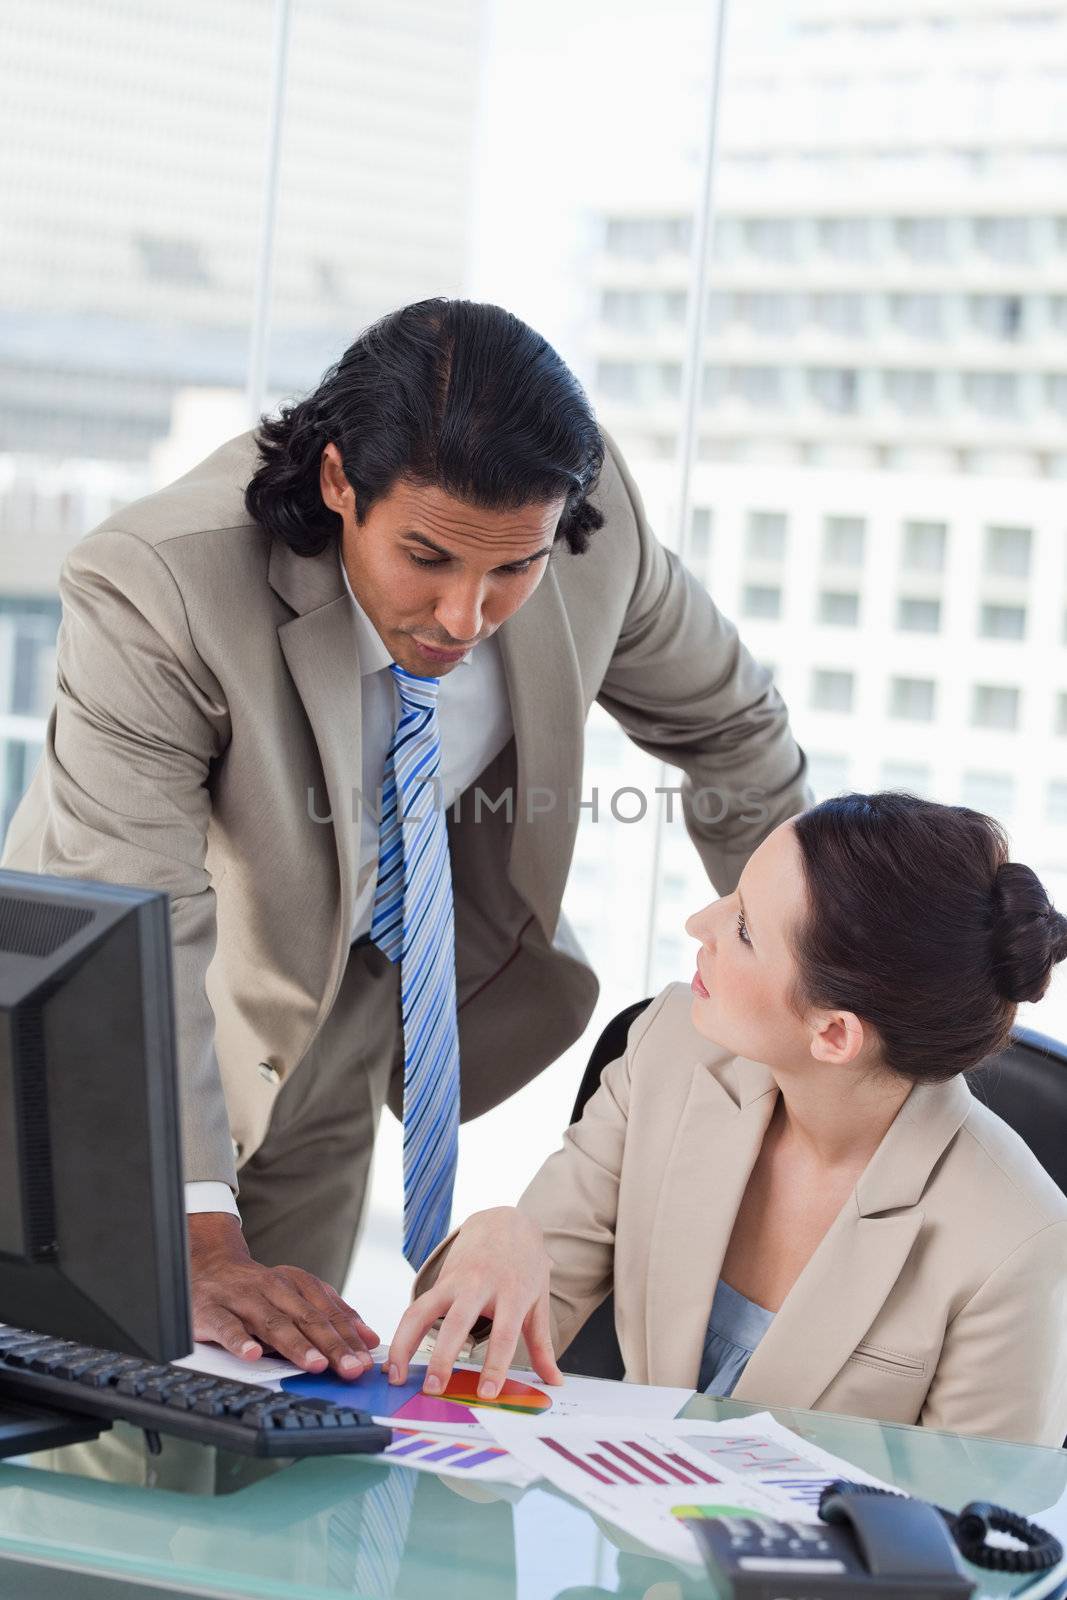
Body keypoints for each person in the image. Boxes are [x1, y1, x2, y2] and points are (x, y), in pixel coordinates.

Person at [1, 298, 809, 1380]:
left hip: (345, 1021)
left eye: (508, 571)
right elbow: (137, 915)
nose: (465, 617)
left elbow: (732, 730)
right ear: (338, 482)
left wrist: (820, 973)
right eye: (425, 557)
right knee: (110, 1416)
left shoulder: (579, 517)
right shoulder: (161, 584)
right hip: (133, 1036)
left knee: (273, 1412)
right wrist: (196, 1234)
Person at [391, 792, 1067, 1446]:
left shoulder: (1016, 1241)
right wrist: (500, 1239)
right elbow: (493, 1359)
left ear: (834, 1035)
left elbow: (981, 1529)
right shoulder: (670, 1052)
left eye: (743, 928)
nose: (700, 924)